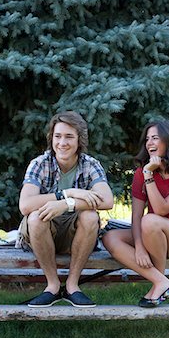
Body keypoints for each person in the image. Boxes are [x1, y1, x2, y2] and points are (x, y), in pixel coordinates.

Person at [19, 111, 114, 308]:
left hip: (75, 236)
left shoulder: (90, 165)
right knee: (36, 217)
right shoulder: (39, 164)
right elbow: (25, 205)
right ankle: (52, 286)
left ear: (80, 140)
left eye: (69, 137)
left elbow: (107, 200)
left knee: (90, 217)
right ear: (51, 138)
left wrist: (67, 204)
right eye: (58, 136)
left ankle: (72, 286)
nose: (62, 143)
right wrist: (67, 193)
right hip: (42, 233)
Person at [102, 119, 169, 308]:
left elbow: (162, 209)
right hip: (150, 232)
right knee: (110, 237)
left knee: (151, 220)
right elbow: (136, 215)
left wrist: (149, 174)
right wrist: (139, 246)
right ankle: (160, 282)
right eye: (147, 139)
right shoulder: (141, 172)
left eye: (155, 138)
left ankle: (160, 284)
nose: (149, 143)